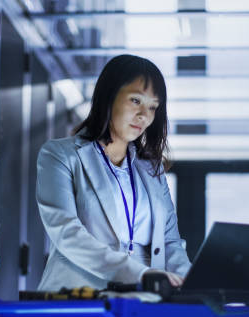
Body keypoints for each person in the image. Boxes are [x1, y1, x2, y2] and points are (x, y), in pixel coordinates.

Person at [36, 54, 191, 291]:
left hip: (143, 299)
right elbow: (67, 233)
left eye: (152, 107)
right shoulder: (60, 155)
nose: (144, 116)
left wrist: (190, 282)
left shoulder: (152, 169)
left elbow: (170, 241)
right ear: (109, 97)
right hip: (80, 296)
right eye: (135, 101)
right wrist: (140, 273)